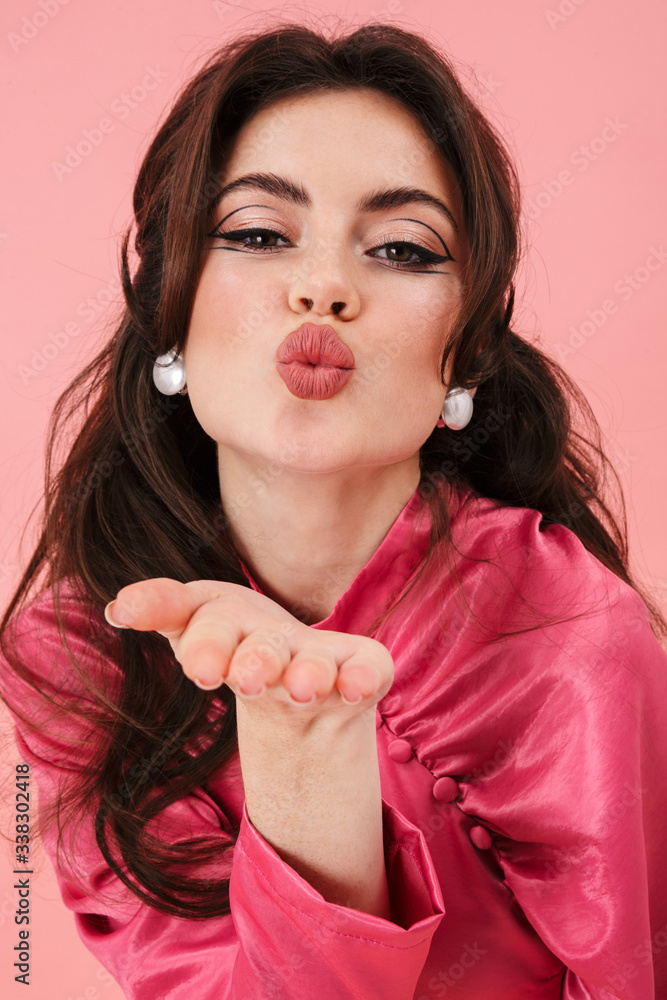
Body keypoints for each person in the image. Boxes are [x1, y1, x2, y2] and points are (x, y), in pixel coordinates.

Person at [1, 18, 666, 1000]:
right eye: (260, 233)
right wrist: (304, 777)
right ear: (169, 307)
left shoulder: (571, 632)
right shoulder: (77, 660)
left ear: (465, 353)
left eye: (402, 248)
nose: (323, 288)